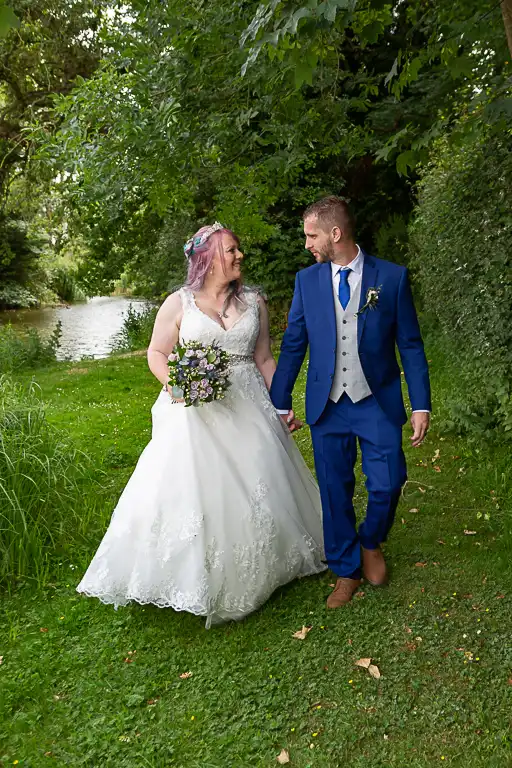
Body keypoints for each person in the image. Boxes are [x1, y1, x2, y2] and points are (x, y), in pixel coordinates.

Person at [77, 222, 326, 627]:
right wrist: (177, 382)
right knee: (197, 487)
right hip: (193, 410)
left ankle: (269, 560)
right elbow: (157, 352)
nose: (239, 256)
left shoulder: (254, 301)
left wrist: (282, 404)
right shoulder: (178, 303)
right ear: (208, 258)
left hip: (248, 404)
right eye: (231, 250)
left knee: (261, 477)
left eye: (238, 249)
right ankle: (197, 574)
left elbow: (263, 359)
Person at [270, 197, 431, 608]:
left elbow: (410, 345)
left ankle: (371, 541)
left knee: (389, 482)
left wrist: (420, 404)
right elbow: (293, 344)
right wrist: (280, 399)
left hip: (376, 400)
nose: (307, 243)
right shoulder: (307, 281)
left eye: (312, 235)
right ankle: (346, 570)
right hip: (328, 403)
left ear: (335, 234)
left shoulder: (390, 278)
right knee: (334, 490)